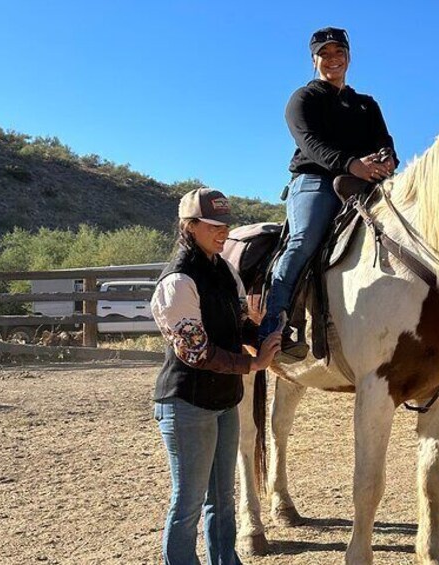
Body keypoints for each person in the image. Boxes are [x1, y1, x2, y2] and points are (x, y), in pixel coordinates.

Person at [151, 188, 282, 564]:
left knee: (223, 499)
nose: (223, 232)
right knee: (188, 503)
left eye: (225, 224)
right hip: (186, 404)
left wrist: (265, 339)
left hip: (224, 401)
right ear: (189, 227)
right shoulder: (178, 280)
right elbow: (195, 351)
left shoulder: (224, 270)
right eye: (212, 225)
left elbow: (239, 323)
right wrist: (251, 365)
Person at [257, 26, 399, 362]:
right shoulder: (303, 99)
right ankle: (275, 325)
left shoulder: (366, 104)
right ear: (314, 60)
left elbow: (384, 139)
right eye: (325, 54)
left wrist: (388, 157)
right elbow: (311, 145)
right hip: (315, 181)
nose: (332, 60)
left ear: (348, 57)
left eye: (339, 53)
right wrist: (351, 164)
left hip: (364, 182)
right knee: (304, 239)